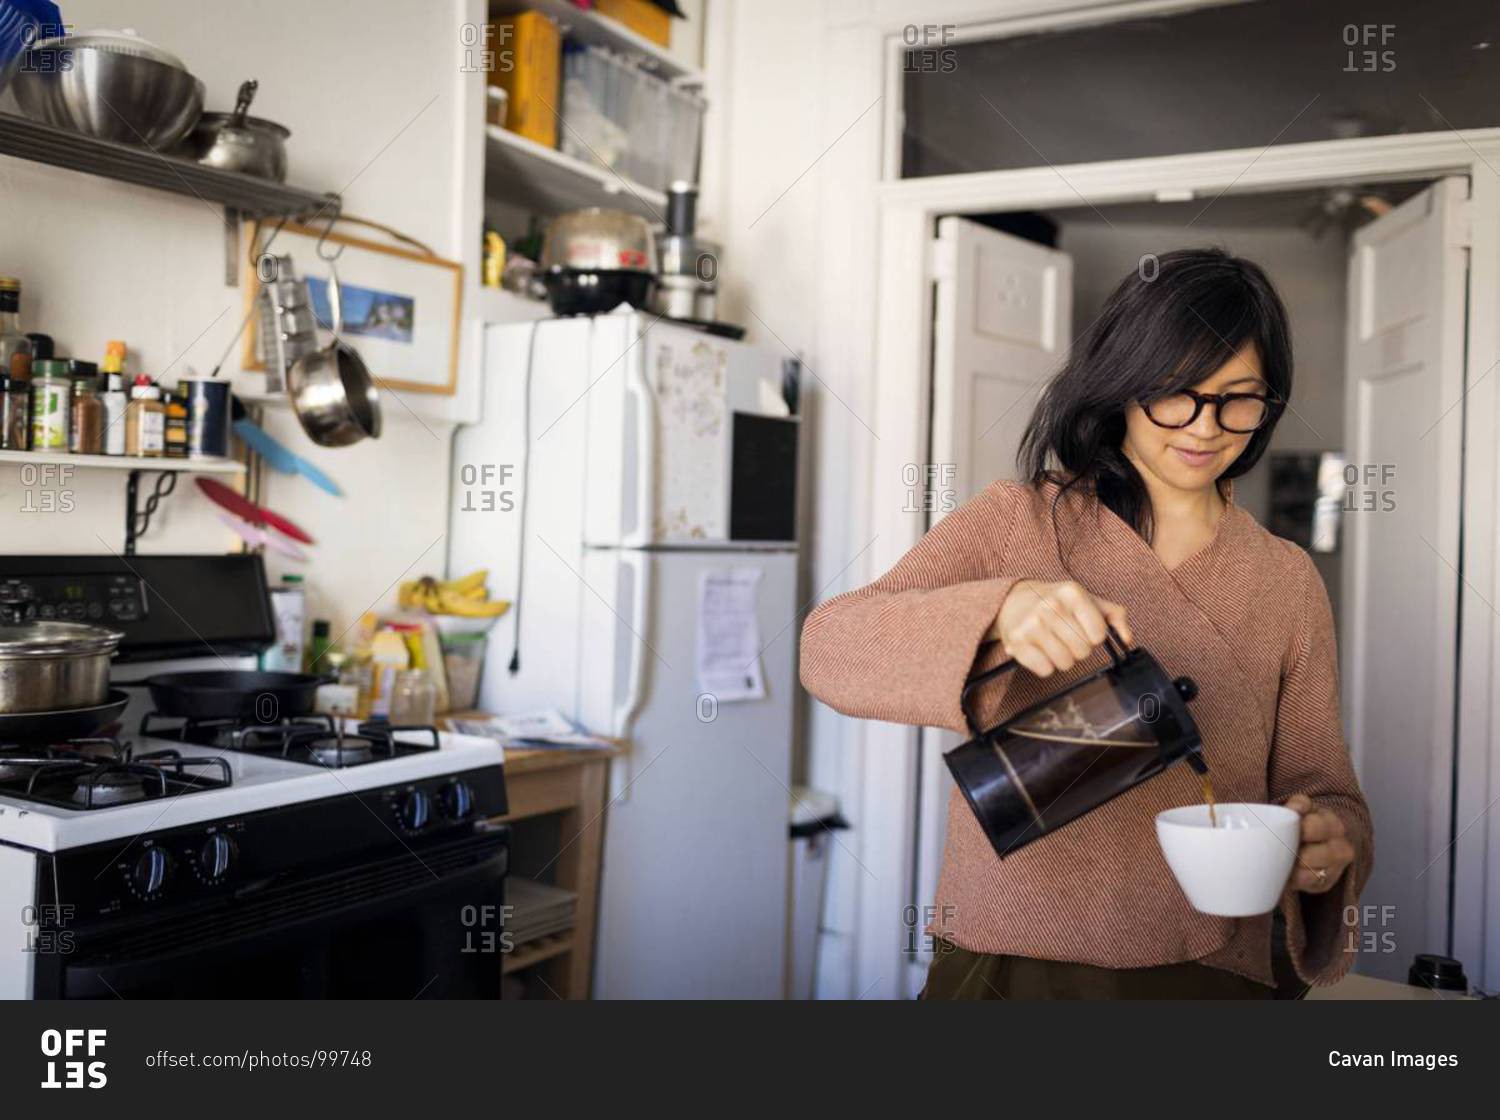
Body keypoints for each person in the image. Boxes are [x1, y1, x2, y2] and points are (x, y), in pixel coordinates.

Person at [800, 248, 1371, 999]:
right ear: (1123, 387)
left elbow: (1324, 791)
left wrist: (1330, 845)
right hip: (1015, 964)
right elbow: (828, 648)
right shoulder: (1020, 522)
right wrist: (999, 612)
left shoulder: (1286, 579)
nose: (1207, 427)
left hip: (1212, 973)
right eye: (1177, 394)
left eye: (1240, 398)